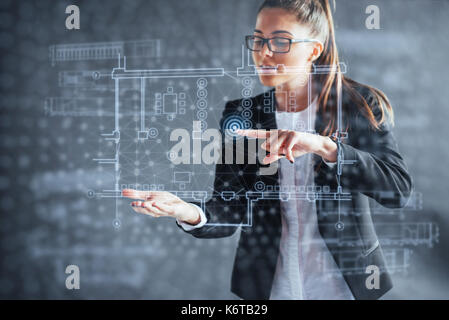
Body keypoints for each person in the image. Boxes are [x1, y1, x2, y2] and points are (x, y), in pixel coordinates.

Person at [123, 0, 413, 300]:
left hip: (344, 285)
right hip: (272, 286)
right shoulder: (242, 114)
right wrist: (187, 212)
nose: (263, 52)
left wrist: (327, 148)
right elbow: (229, 208)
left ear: (314, 50)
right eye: (259, 40)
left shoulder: (357, 105)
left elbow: (398, 189)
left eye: (280, 41)